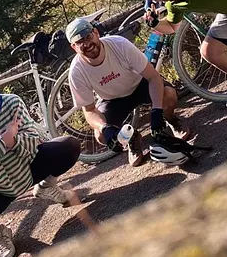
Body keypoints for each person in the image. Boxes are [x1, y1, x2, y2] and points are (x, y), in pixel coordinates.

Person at [0, 62, 81, 257]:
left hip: (27, 166)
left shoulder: (12, 102)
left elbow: (34, 141)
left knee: (69, 146)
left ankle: (47, 186)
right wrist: (7, 138)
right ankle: (0, 233)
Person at [65, 17, 191, 168]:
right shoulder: (76, 72)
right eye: (80, 42)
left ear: (96, 33)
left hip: (139, 84)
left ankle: (170, 120)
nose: (87, 44)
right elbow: (89, 110)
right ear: (74, 47)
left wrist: (157, 110)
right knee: (100, 135)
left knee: (168, 95)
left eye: (88, 37)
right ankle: (132, 138)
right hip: (112, 99)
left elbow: (153, 77)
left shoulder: (119, 44)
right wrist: (105, 128)